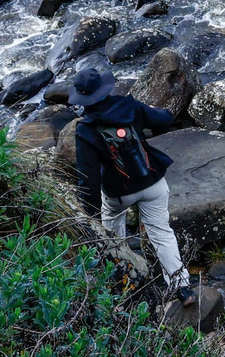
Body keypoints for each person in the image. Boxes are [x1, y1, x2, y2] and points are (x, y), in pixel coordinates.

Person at [71, 67, 196, 306]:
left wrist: (91, 216)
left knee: (112, 230)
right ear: (105, 89)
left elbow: (88, 178)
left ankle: (123, 281)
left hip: (119, 193)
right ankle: (183, 288)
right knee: (161, 232)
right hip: (152, 181)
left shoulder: (85, 129)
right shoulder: (128, 106)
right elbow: (163, 119)